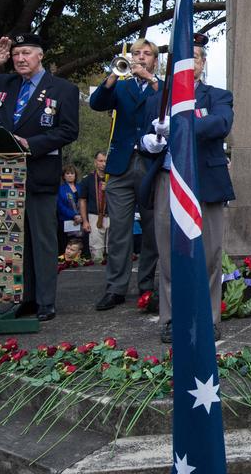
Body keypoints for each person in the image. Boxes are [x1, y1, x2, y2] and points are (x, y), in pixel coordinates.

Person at [0, 33, 80, 322]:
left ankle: (46, 302)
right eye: (16, 54)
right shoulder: (2, 84)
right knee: (16, 241)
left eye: (27, 53)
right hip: (3, 177)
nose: (21, 59)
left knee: (43, 240)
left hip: (39, 173)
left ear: (40, 55)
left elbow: (69, 131)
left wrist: (31, 144)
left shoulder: (62, 89)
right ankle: (25, 298)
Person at [139, 36, 234, 343]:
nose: (189, 60)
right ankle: (170, 319)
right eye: (183, 55)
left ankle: (209, 318)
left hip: (203, 180)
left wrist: (181, 126)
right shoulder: (157, 99)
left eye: (194, 56)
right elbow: (143, 137)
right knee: (168, 254)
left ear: (202, 63)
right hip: (169, 178)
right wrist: (148, 144)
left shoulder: (217, 95)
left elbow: (220, 125)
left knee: (209, 254)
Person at [88, 38, 163, 310]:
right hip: (120, 165)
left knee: (152, 229)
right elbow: (96, 103)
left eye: (146, 54)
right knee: (119, 230)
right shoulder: (120, 85)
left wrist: (151, 79)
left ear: (155, 60)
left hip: (150, 164)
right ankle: (116, 288)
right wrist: (113, 74)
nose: (140, 58)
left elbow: (167, 103)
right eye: (135, 54)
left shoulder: (161, 86)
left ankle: (146, 286)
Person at [79, 152, 110, 262]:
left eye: (106, 161)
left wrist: (109, 189)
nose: (103, 164)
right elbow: (82, 200)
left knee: (113, 249)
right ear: (95, 162)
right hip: (94, 216)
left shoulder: (114, 178)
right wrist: (85, 221)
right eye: (101, 161)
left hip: (112, 216)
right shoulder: (88, 179)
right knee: (97, 250)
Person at [57, 165, 83, 260]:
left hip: (81, 221)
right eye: (67, 173)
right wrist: (74, 215)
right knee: (66, 243)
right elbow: (60, 206)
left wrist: (81, 216)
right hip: (65, 221)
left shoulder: (81, 187)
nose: (70, 175)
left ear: (75, 175)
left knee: (79, 243)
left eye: (72, 173)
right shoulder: (60, 189)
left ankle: (78, 260)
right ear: (63, 176)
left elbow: (85, 202)